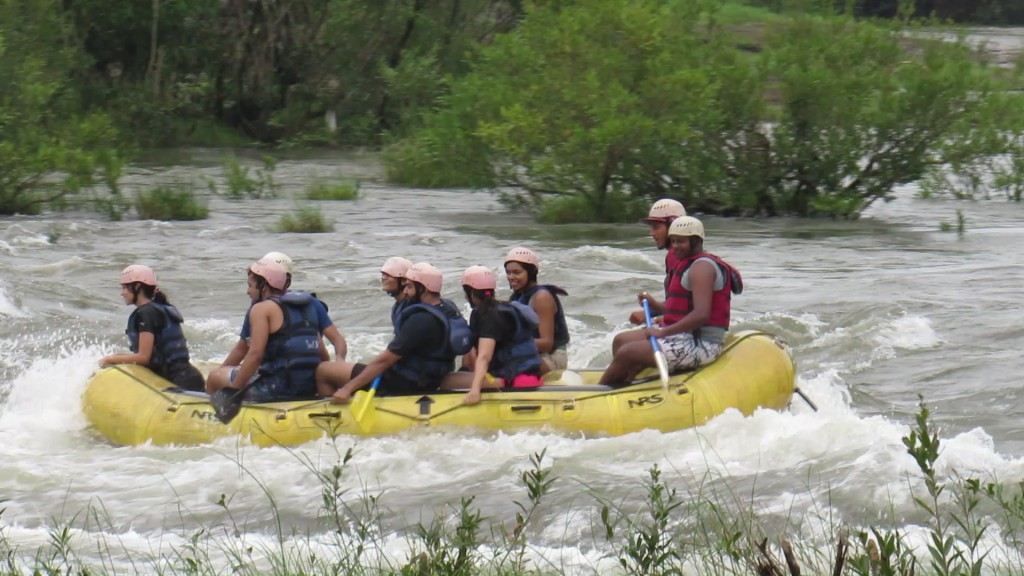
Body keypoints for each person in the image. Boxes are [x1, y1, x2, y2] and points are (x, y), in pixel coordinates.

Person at [600, 216, 742, 385]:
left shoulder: (702, 268)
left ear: (696, 240)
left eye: (681, 242)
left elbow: (701, 315)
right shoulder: (690, 263)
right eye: (673, 241)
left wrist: (662, 332)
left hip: (702, 344)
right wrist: (655, 306)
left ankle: (601, 392)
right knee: (621, 340)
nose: (675, 247)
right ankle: (628, 383)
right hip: (683, 337)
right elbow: (681, 308)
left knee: (627, 352)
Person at [318, 262, 468, 403]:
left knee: (324, 370)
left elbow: (385, 360)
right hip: (431, 378)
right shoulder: (448, 308)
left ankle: (332, 411)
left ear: (423, 288)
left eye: (409, 286)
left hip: (402, 382)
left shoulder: (421, 320)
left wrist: (347, 389)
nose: (405, 291)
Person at [205, 257, 328, 401]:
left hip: (275, 388)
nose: (247, 291)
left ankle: (213, 416)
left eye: (250, 285)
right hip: (307, 386)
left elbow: (253, 355)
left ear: (263, 285)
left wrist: (232, 392)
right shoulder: (309, 306)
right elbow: (324, 356)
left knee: (214, 377)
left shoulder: (260, 309)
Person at [215, 251, 346, 377]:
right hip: (307, 372)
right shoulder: (309, 302)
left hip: (276, 378)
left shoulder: (259, 309)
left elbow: (244, 351)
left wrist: (220, 376)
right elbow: (328, 350)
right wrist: (338, 363)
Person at [440, 266, 542, 405]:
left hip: (515, 380)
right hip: (531, 375)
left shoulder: (488, 316)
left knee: (446, 381)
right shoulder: (506, 308)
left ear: (471, 293)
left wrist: (475, 390)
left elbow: (484, 356)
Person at [98, 265, 205, 391]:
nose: (122, 293)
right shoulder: (157, 308)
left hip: (181, 382)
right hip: (187, 377)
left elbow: (143, 357)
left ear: (137, 287)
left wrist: (110, 359)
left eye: (124, 288)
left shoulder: (146, 313)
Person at [611, 198, 687, 356]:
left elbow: (684, 305)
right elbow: (682, 300)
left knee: (620, 341)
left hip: (684, 331)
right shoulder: (676, 255)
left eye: (656, 227)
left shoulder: (675, 256)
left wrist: (655, 313)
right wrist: (654, 313)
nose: (651, 233)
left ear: (674, 226)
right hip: (682, 325)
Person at [504, 247, 569, 373]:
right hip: (531, 353)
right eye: (508, 272)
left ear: (531, 273)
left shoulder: (541, 297)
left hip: (552, 357)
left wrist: (511, 345)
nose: (511, 277)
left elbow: (547, 343)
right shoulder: (517, 296)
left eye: (517, 272)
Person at [380, 256, 413, 330]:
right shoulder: (397, 307)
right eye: (383, 274)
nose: (383, 278)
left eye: (388, 275)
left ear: (403, 281)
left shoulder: (411, 308)